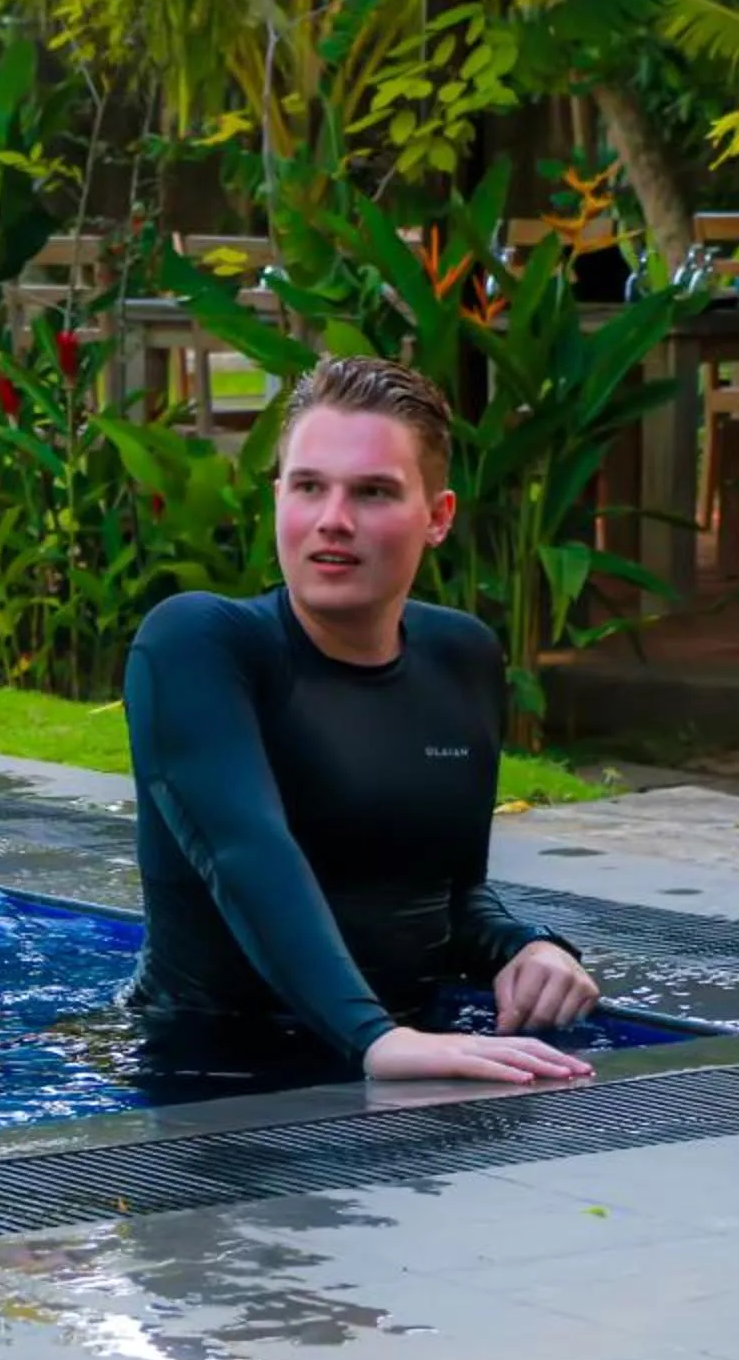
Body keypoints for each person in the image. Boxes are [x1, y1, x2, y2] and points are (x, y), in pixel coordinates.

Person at [123, 355, 602, 1088]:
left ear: (437, 517)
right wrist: (376, 1039)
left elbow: (446, 893)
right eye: (309, 486)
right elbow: (245, 853)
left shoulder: (460, 655)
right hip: (205, 1063)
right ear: (278, 494)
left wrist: (527, 949)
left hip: (409, 1037)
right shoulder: (199, 645)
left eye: (373, 492)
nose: (332, 521)